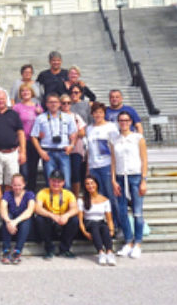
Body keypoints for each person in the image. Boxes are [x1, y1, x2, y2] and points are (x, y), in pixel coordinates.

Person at [111, 111, 148, 259]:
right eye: (121, 120)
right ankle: (128, 241)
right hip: (120, 177)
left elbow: (144, 159)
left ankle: (138, 242)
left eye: (126, 120)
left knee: (137, 212)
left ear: (131, 122)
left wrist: (143, 180)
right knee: (122, 212)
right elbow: (113, 161)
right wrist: (113, 180)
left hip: (135, 176)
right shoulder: (114, 139)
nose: (124, 123)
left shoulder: (138, 138)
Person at [85, 102, 121, 230]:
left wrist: (113, 172)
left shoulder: (110, 127)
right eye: (95, 112)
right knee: (98, 196)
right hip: (94, 166)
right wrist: (88, 169)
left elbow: (114, 149)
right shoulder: (89, 128)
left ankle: (117, 225)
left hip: (106, 165)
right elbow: (88, 150)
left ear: (104, 113)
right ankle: (103, 225)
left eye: (100, 112)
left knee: (111, 196)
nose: (98, 115)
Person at [32, 93, 77, 185]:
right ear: (47, 104)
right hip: (48, 154)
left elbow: (74, 133)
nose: (53, 104)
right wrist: (40, 151)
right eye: (50, 102)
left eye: (55, 102)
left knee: (66, 183)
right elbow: (34, 136)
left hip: (63, 152)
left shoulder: (67, 118)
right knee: (50, 183)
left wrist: (71, 146)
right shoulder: (40, 118)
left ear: (59, 104)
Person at [34, 170, 79, 259]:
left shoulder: (68, 194)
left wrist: (66, 215)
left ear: (63, 182)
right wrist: (52, 215)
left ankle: (65, 249)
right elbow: (37, 208)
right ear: (49, 181)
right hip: (50, 222)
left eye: (59, 181)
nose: (56, 184)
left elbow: (75, 208)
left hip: (62, 221)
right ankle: (49, 248)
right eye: (53, 181)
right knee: (39, 219)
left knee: (74, 220)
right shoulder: (43, 192)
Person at [78, 175, 116, 266]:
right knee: (95, 226)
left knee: (104, 228)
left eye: (92, 183)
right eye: (87, 184)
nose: (90, 186)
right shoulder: (81, 200)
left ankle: (109, 252)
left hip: (100, 223)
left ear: (96, 184)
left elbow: (109, 219)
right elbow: (80, 219)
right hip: (89, 224)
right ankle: (101, 252)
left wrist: (112, 230)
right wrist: (84, 232)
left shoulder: (105, 200)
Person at [0, 173, 35, 264]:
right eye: (15, 185)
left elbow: (29, 211)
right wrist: (8, 222)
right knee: (7, 216)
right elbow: (2, 208)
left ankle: (17, 251)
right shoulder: (7, 194)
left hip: (23, 226)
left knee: (27, 219)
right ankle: (6, 250)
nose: (17, 187)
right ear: (11, 185)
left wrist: (14, 222)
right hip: (9, 227)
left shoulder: (29, 194)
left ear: (24, 184)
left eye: (19, 185)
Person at [13, 83, 43, 191]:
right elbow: (13, 125)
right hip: (22, 141)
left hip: (34, 141)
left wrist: (40, 114)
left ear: (32, 93)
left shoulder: (37, 107)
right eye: (23, 91)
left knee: (33, 169)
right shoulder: (16, 107)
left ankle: (31, 193)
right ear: (20, 94)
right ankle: (22, 192)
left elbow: (43, 124)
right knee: (23, 170)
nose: (25, 93)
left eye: (28, 91)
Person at [60, 93, 87, 196]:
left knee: (75, 174)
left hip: (76, 149)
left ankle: (74, 198)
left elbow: (82, 132)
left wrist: (72, 134)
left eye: (68, 103)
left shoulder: (76, 116)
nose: (66, 105)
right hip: (61, 149)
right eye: (63, 103)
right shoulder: (56, 116)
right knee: (63, 175)